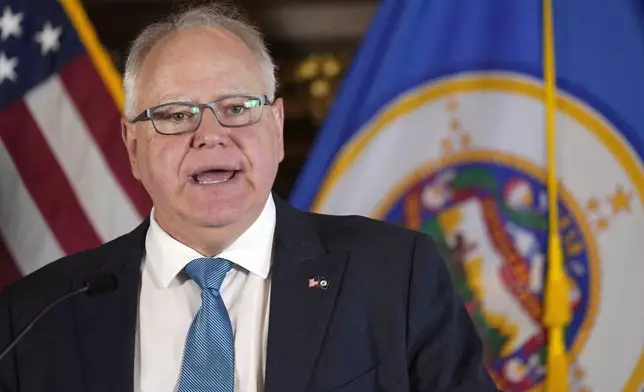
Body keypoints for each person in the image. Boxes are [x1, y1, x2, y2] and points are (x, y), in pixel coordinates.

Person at [0, 4, 500, 392]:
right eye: (176, 115)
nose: (210, 135)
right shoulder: (35, 316)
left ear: (277, 128)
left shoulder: (394, 276)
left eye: (237, 107)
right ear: (133, 146)